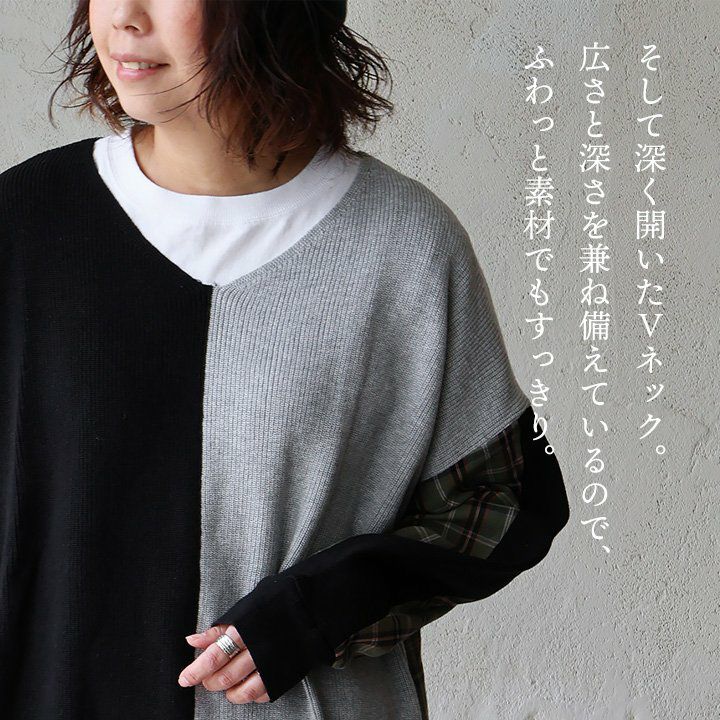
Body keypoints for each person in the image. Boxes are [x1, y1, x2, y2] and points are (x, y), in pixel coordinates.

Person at [0, 1, 570, 718]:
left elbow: (507, 499)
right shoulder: (25, 225)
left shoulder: (403, 246)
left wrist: (321, 609)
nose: (123, 17)